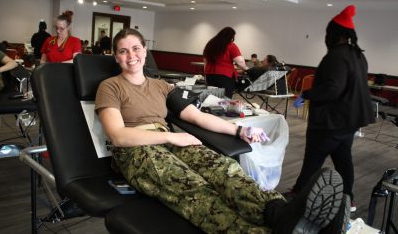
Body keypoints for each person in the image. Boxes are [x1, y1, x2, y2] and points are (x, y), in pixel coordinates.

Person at [95, 28, 348, 234]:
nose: (131, 56)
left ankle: (279, 214)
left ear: (145, 50)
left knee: (225, 169)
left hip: (170, 142)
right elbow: (119, 135)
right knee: (193, 187)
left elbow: (198, 116)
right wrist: (171, 136)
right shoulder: (110, 87)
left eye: (136, 48)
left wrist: (238, 131)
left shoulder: (161, 86)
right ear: (116, 57)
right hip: (136, 150)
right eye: (123, 51)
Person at [289, 5, 375, 213]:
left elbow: (332, 89)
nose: (325, 37)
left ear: (334, 34)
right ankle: (348, 199)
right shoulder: (357, 54)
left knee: (314, 159)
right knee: (343, 159)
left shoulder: (336, 56)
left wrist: (306, 95)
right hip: (349, 120)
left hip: (332, 121)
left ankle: (298, 195)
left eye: (327, 33)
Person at [203, 27, 248, 98]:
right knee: (224, 99)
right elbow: (240, 61)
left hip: (210, 75)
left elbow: (205, 61)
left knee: (211, 97)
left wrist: (205, 74)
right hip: (224, 77)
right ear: (231, 36)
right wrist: (245, 68)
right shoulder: (230, 45)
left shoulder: (210, 44)